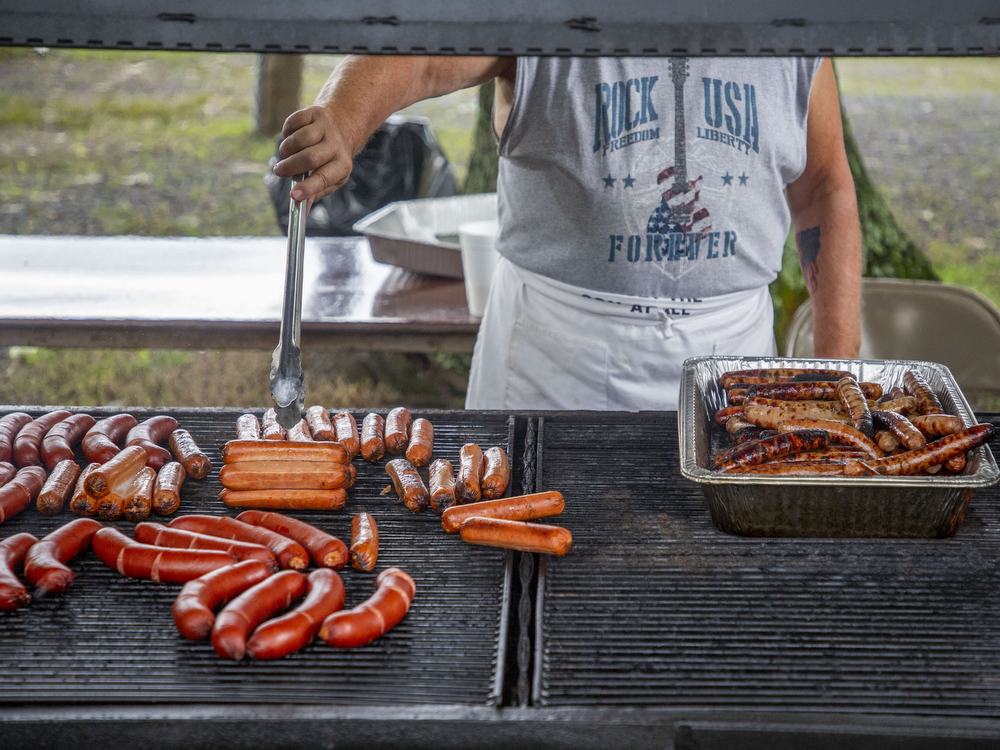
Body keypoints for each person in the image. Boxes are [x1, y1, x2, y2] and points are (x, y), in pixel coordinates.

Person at [273, 55, 861, 410]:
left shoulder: (789, 25)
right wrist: (343, 117)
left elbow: (823, 189)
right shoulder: (545, 14)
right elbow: (421, 55)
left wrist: (839, 375)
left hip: (735, 358)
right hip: (554, 361)